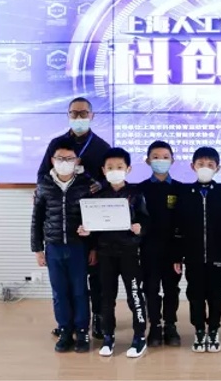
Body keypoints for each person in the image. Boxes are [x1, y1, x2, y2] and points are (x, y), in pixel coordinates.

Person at [38, 97, 110, 340]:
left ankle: (97, 318)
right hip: (63, 223)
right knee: (65, 283)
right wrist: (41, 192)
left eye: (83, 113)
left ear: (92, 115)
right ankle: (66, 324)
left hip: (92, 220)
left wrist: (99, 186)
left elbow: (110, 177)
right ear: (68, 115)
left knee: (95, 275)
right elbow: (42, 175)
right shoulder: (57, 144)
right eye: (74, 113)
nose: (79, 117)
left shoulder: (102, 146)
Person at [78, 148, 149, 358]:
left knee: (134, 296)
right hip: (105, 254)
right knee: (106, 297)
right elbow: (92, 225)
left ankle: (139, 337)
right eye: (110, 167)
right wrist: (87, 232)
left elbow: (146, 220)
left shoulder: (136, 194)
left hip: (129, 253)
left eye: (119, 167)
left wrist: (140, 228)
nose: (114, 170)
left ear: (128, 169)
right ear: (103, 170)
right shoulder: (97, 196)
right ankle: (108, 337)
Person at [31, 138, 96, 353]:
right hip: (53, 247)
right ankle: (65, 330)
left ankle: (82, 331)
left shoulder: (86, 185)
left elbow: (94, 218)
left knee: (79, 291)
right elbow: (37, 219)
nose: (65, 162)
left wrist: (93, 246)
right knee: (59, 292)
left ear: (77, 160)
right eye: (60, 158)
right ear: (52, 160)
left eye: (69, 158)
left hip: (79, 248)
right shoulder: (44, 185)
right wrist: (38, 249)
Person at [173, 147, 221, 353]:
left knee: (217, 295)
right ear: (193, 166)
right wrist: (177, 256)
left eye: (210, 165)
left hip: (218, 257)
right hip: (193, 257)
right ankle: (199, 330)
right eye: (201, 164)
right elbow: (178, 227)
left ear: (217, 168)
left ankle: (213, 329)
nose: (205, 168)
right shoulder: (185, 194)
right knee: (195, 295)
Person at [138, 141, 182, 347]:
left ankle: (170, 325)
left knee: (172, 289)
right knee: (151, 288)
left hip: (173, 251)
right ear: (148, 161)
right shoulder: (140, 189)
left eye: (165, 157)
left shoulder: (180, 189)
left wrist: (179, 254)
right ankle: (155, 326)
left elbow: (184, 223)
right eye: (155, 157)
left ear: (172, 160)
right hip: (148, 249)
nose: (160, 161)